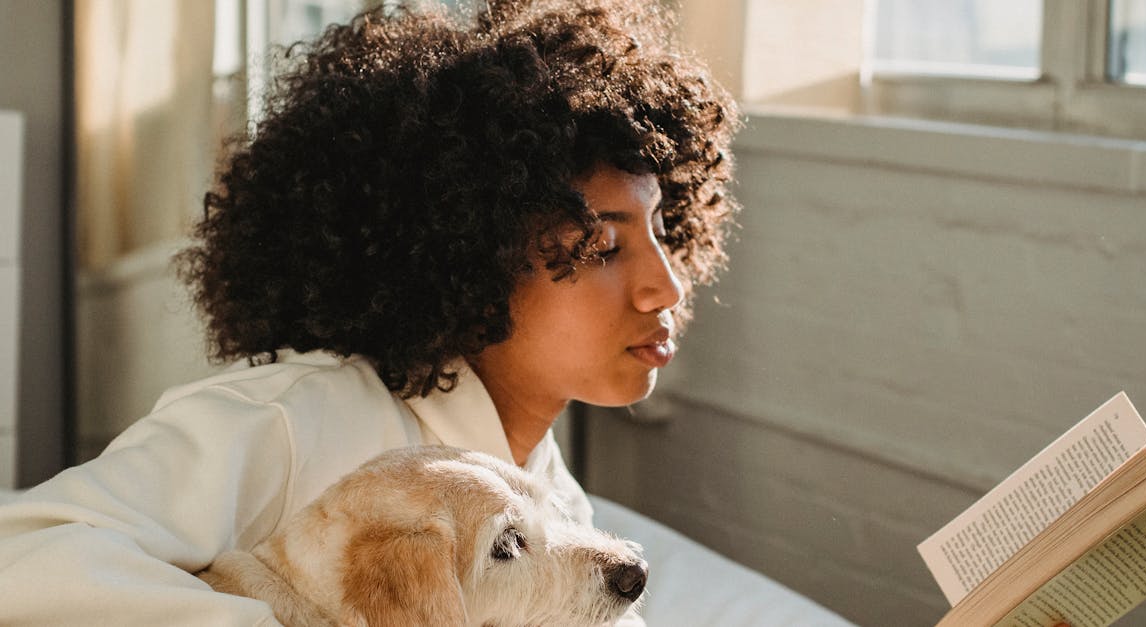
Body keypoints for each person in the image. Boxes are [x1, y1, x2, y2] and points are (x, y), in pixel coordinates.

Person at [0, 0, 738, 624]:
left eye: (665, 231)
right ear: (467, 254)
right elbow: (27, 555)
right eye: (602, 247)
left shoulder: (544, 485)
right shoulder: (297, 418)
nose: (667, 287)